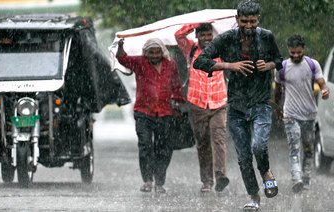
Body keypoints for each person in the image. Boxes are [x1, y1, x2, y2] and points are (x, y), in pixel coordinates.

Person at [193, 0, 282, 210]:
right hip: (236, 105)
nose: (248, 25)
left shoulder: (267, 36)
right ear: (237, 19)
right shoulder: (225, 39)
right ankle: (254, 197)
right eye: (244, 21)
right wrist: (229, 65)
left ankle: (266, 171)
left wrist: (267, 65)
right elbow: (199, 61)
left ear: (258, 19)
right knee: (243, 157)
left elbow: (279, 60)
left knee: (258, 146)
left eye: (252, 21)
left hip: (261, 102)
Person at [116, 38, 185, 194]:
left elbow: (176, 85)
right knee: (145, 146)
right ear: (146, 53)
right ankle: (147, 180)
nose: (154, 55)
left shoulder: (171, 64)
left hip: (166, 112)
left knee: (165, 148)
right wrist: (120, 46)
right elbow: (123, 59)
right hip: (143, 112)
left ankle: (160, 181)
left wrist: (177, 105)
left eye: (157, 52)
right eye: (151, 52)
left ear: (162, 52)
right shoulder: (140, 63)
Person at [175, 23, 229, 192]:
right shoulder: (190, 49)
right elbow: (179, 35)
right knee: (203, 143)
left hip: (219, 103)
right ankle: (206, 181)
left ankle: (220, 176)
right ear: (197, 36)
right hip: (197, 104)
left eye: (209, 35)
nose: (207, 38)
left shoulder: (221, 49)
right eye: (203, 35)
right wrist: (195, 23)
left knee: (219, 139)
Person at [274, 34, 329, 193]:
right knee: (294, 147)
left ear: (304, 49)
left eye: (299, 52)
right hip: (290, 114)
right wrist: (277, 107)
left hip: (309, 114)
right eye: (293, 53)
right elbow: (277, 90)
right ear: (288, 50)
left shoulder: (313, 65)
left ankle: (306, 177)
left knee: (308, 148)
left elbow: (322, 84)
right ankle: (296, 178)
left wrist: (325, 91)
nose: (296, 56)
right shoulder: (282, 67)